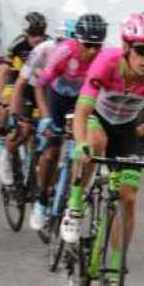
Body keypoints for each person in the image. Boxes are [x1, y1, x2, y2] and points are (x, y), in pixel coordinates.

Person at [61, 13, 144, 286]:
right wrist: (83, 143)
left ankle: (113, 271)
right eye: (141, 50)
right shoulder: (106, 62)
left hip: (127, 130)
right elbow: (83, 110)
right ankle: (73, 208)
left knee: (128, 197)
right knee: (96, 144)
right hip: (97, 120)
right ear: (126, 47)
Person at [28, 13, 106, 231]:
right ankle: (41, 201)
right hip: (57, 97)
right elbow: (39, 85)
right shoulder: (63, 52)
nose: (92, 50)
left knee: (81, 151)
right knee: (52, 151)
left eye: (97, 45)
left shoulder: (103, 58)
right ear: (77, 40)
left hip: (82, 100)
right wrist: (45, 118)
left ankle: (73, 200)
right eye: (88, 45)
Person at [0, 12, 48, 174]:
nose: (37, 38)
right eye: (32, 34)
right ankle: (2, 134)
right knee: (6, 105)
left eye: (40, 34)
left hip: (37, 86)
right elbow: (3, 72)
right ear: (25, 33)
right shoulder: (18, 44)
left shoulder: (49, 44)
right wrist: (0, 99)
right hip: (17, 81)